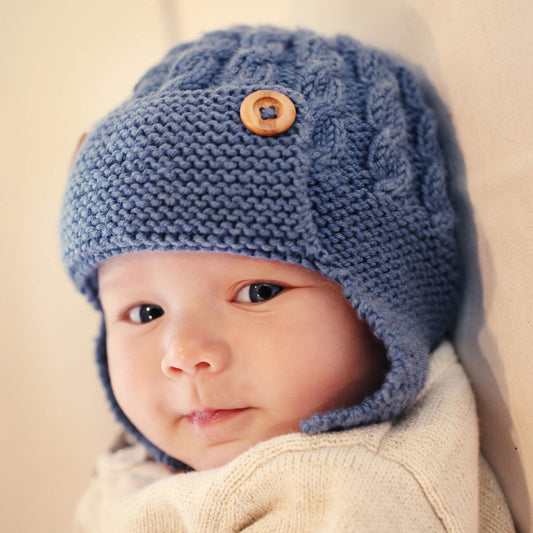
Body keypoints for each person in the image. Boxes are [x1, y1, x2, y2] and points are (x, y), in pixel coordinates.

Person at [61, 26, 514, 532]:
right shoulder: (149, 462)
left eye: (257, 293)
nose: (184, 354)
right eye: (145, 312)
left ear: (385, 308)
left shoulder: (346, 492)